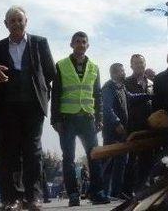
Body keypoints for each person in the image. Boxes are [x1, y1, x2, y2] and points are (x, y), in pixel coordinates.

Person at [0, 6, 55, 211]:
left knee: (33, 153)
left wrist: (45, 98)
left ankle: (34, 198)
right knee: (9, 154)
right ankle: (12, 200)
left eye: (20, 20)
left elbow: (50, 73)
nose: (16, 23)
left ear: (26, 21)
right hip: (6, 109)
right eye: (12, 21)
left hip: (33, 107)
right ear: (6, 24)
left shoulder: (39, 43)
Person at [51, 32, 110, 207]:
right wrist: (55, 120)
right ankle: (73, 195)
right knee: (68, 158)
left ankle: (97, 192)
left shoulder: (94, 67)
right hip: (67, 119)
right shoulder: (61, 65)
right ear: (71, 44)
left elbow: (97, 95)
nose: (81, 44)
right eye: (77, 41)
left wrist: (100, 118)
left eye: (84, 42)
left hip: (88, 118)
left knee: (94, 156)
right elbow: (56, 94)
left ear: (88, 45)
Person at [103, 63, 150, 199]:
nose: (124, 73)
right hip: (113, 131)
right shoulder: (109, 87)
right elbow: (107, 108)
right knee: (109, 161)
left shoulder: (121, 87)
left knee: (122, 162)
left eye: (123, 71)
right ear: (114, 73)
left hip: (123, 131)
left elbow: (131, 97)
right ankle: (104, 192)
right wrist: (116, 122)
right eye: (121, 71)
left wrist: (147, 95)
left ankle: (116, 192)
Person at [122, 54, 154, 195]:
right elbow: (128, 101)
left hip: (150, 125)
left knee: (147, 158)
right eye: (135, 63)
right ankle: (126, 190)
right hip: (133, 125)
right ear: (131, 66)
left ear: (145, 64)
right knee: (131, 158)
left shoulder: (152, 83)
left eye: (141, 63)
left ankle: (143, 188)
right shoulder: (126, 82)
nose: (139, 65)